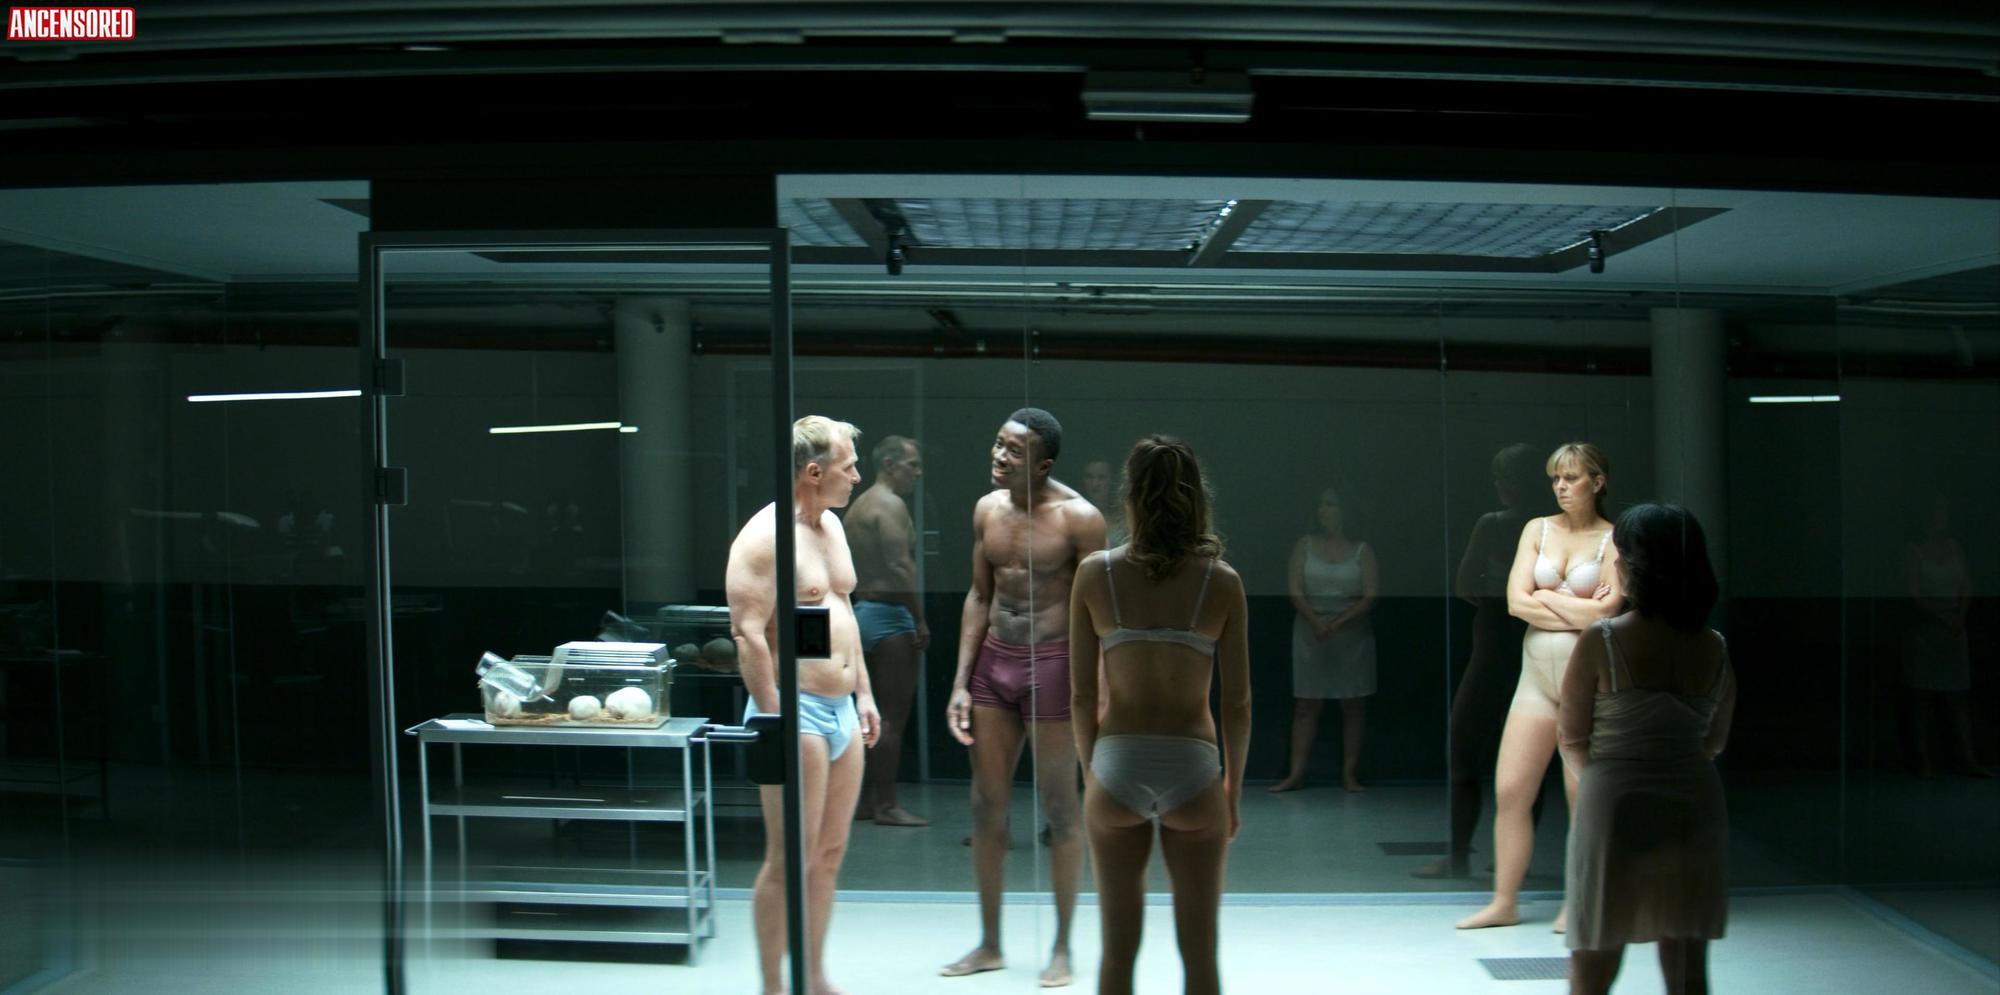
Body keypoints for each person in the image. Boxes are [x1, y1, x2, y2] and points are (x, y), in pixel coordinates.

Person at [1071, 435, 1250, 995]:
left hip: (1116, 760)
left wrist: (1093, 772)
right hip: (1193, 765)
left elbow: (1081, 696)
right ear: (1196, 497)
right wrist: (1232, 790)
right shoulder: (1221, 582)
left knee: (1116, 953)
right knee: (1200, 955)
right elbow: (1238, 702)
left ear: (1130, 496)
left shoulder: (1095, 574)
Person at [942, 407, 1106, 987]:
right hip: (995, 662)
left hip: (1055, 664)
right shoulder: (987, 510)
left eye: (1014, 450)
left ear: (1044, 464)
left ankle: (1061, 947)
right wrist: (961, 681)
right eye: (998, 444)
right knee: (986, 806)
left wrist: (1099, 692)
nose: (999, 456)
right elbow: (979, 596)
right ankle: (989, 944)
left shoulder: (1080, 519)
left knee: (1060, 809)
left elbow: (1100, 613)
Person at [725, 415, 883, 995]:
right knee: (791, 857)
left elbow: (841, 614)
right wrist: (776, 717)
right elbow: (747, 634)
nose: (857, 477)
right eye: (849, 467)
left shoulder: (831, 527)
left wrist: (863, 692)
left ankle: (813, 977)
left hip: (841, 707)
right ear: (814, 473)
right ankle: (774, 987)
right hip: (796, 710)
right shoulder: (764, 538)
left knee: (829, 852)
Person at [1558, 503, 1737, 995]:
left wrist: (1608, 780)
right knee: (1687, 966)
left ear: (1635, 567)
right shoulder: (1714, 647)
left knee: (1594, 961)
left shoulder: (1603, 640)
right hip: (1693, 802)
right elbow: (1715, 739)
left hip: (1615, 803)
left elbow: (1571, 736)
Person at [1459, 441, 1623, 931]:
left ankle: (1580, 901)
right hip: (1535, 683)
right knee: (1511, 790)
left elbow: (1606, 613)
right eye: (1555, 479)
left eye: (1571, 478)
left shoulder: (1614, 538)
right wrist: (1575, 607)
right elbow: (1515, 602)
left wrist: (1546, 597)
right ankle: (1504, 901)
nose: (1561, 487)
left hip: (1585, 686)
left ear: (1597, 482)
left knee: (1582, 800)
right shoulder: (1537, 529)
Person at [1415, 443, 1548, 878]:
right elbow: (1466, 583)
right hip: (1509, 647)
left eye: (1508, 477)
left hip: (1510, 649)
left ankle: (1476, 857)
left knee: (1503, 756)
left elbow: (1468, 583)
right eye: (1499, 477)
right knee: (1476, 751)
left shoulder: (1511, 526)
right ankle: (1468, 856)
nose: (1501, 485)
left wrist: (1501, 593)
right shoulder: (1510, 525)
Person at [846, 434, 933, 825]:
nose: (918, 473)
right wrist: (919, 617)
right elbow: (900, 566)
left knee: (865, 715)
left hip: (861, 612)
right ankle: (886, 805)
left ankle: (865, 801)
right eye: (913, 465)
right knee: (892, 718)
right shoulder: (890, 504)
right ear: (889, 464)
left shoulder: (858, 506)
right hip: (890, 615)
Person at [1272, 486, 1379, 793]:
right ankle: (1296, 774)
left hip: (1352, 634)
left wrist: (1339, 622)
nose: (1324, 510)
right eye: (1321, 504)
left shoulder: (1362, 549)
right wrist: (1317, 622)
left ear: (1344, 509)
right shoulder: (1304, 545)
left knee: (1353, 704)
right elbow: (1295, 589)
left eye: (1330, 504)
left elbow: (1370, 594)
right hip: (1310, 632)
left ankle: (1349, 774)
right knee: (1306, 703)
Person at [1900, 495, 1989, 778]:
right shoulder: (1913, 550)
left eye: (1944, 510)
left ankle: (1966, 757)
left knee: (1958, 695)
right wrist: (1942, 617)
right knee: (1922, 696)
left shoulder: (1955, 547)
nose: (1942, 515)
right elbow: (1913, 594)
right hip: (1927, 631)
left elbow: (1967, 585)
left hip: (1954, 629)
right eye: (1937, 510)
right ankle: (1922, 759)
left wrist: (1959, 616)